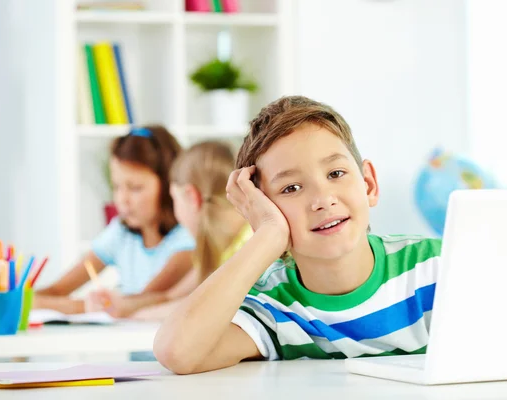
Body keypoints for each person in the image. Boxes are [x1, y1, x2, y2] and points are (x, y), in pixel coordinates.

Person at [152, 96, 442, 374]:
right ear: (261, 208)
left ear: (368, 184)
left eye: (336, 173)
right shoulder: (272, 308)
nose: (323, 199)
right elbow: (176, 351)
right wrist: (268, 235)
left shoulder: (438, 268)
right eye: (291, 188)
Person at [34, 125, 195, 314]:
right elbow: (58, 289)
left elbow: (134, 305)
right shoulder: (120, 232)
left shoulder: (187, 240)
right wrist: (20, 298)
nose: (122, 199)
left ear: (169, 187)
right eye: (117, 187)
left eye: (135, 188)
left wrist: (82, 306)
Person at [88, 141, 253, 320]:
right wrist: (121, 304)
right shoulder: (221, 248)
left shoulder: (248, 247)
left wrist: (136, 314)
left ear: (191, 196)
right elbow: (172, 297)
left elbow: (195, 308)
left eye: (174, 199)